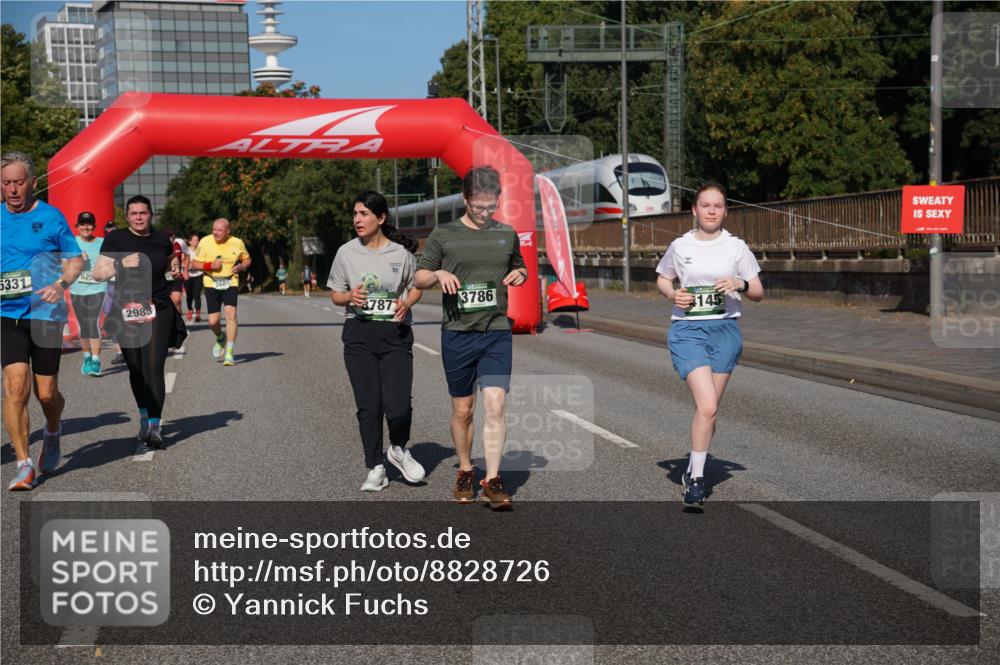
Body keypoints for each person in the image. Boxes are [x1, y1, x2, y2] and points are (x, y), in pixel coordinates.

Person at [414, 165, 528, 510]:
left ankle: (492, 478)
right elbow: (418, 279)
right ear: (465, 199)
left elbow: (519, 265)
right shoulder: (444, 234)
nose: (484, 213)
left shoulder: (505, 233)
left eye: (491, 206)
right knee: (463, 409)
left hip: (495, 332)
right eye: (478, 206)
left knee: (495, 404)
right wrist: (437, 272)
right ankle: (465, 469)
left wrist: (519, 274)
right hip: (458, 333)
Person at [656, 182, 763, 507]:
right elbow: (663, 277)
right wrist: (673, 294)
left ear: (725, 211)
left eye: (718, 206)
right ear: (695, 209)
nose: (712, 211)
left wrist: (740, 283)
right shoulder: (680, 245)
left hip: (725, 333)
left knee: (709, 409)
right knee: (707, 406)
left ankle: (694, 466)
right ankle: (697, 480)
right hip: (688, 331)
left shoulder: (736, 247)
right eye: (706, 205)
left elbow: (758, 291)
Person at [329, 191, 425, 492]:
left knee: (398, 407)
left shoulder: (402, 253)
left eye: (364, 214)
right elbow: (335, 295)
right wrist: (350, 297)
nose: (357, 219)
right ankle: (376, 467)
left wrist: (407, 303)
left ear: (381, 218)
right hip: (359, 333)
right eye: (355, 213)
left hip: (395, 334)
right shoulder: (346, 252)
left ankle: (397, 448)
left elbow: (416, 287)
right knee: (368, 406)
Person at [1, 151, 84, 490]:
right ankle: (23, 464)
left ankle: (52, 430)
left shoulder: (52, 218)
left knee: (46, 394)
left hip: (46, 315)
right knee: (15, 385)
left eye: (18, 182)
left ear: (33, 182)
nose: (12, 189)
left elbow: (75, 261)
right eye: (6, 183)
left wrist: (60, 284)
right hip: (6, 316)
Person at [92, 195, 186, 449]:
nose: (138, 217)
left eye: (143, 213)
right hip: (127, 308)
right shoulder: (116, 239)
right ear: (128, 216)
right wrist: (120, 263)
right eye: (133, 213)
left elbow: (169, 264)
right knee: (136, 368)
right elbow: (98, 273)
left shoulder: (161, 239)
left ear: (150, 214)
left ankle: (155, 425)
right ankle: (144, 416)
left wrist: (174, 268)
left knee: (154, 366)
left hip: (158, 305)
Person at [192, 218, 250, 366]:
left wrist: (242, 267)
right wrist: (210, 265)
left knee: (230, 314)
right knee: (213, 321)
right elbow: (195, 263)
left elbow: (247, 259)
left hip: (231, 281)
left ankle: (229, 353)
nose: (215, 233)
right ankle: (220, 337)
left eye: (219, 230)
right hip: (211, 282)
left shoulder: (237, 242)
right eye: (214, 229)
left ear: (227, 231)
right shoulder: (205, 242)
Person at [69, 211, 108, 377]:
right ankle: (87, 357)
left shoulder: (103, 243)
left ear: (94, 226)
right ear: (77, 226)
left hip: (97, 288)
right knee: (83, 325)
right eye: (83, 224)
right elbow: (64, 270)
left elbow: (110, 263)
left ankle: (96, 360)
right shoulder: (71, 244)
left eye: (90, 224)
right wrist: (78, 263)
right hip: (77, 289)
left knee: (93, 322)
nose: (86, 227)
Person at [163, 229, 185, 314]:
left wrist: (185, 270)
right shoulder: (159, 247)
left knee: (177, 300)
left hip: (176, 275)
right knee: (167, 302)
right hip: (163, 277)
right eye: (167, 237)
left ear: (174, 237)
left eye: (171, 236)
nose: (169, 238)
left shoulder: (180, 244)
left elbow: (187, 256)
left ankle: (178, 321)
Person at [184, 233, 203, 321]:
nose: (197, 242)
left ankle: (198, 313)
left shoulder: (201, 251)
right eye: (195, 240)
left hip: (199, 274)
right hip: (188, 275)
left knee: (197, 294)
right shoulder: (186, 250)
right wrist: (187, 267)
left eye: (198, 240)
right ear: (190, 242)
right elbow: (181, 262)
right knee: (189, 295)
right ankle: (190, 310)